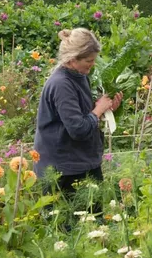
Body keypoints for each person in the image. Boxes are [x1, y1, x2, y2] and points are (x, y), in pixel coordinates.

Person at [33, 28, 122, 194]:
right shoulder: (62, 84)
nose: (93, 64)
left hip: (80, 163)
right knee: (69, 218)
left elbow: (82, 115)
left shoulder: (79, 76)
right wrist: (97, 110)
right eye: (89, 60)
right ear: (73, 59)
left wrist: (105, 111)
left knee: (93, 216)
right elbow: (78, 129)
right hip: (63, 171)